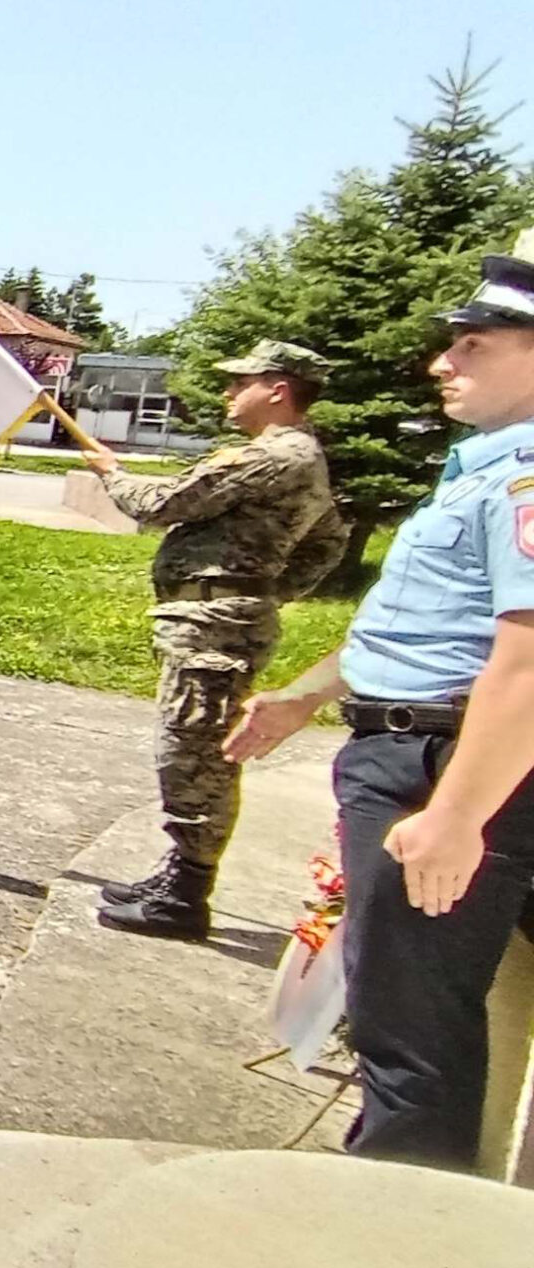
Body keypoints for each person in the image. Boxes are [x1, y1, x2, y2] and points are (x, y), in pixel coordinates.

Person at [222, 249, 534, 1170]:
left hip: (444, 768)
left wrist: (456, 817)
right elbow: (425, 631)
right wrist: (306, 697)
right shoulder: (485, 468)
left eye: (473, 346)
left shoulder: (523, 477)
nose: (444, 364)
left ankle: (391, 1252)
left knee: (410, 1036)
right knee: (413, 1019)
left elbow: (524, 657)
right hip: (423, 746)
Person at [83, 339, 350, 939]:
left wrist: (112, 473)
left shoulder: (274, 455)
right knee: (191, 748)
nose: (229, 392)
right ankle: (180, 871)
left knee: (194, 754)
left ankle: (185, 894)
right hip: (214, 621)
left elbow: (161, 503)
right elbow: (328, 541)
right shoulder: (305, 457)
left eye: (241, 381)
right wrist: (268, 591)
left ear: (278, 389)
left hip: (213, 628)